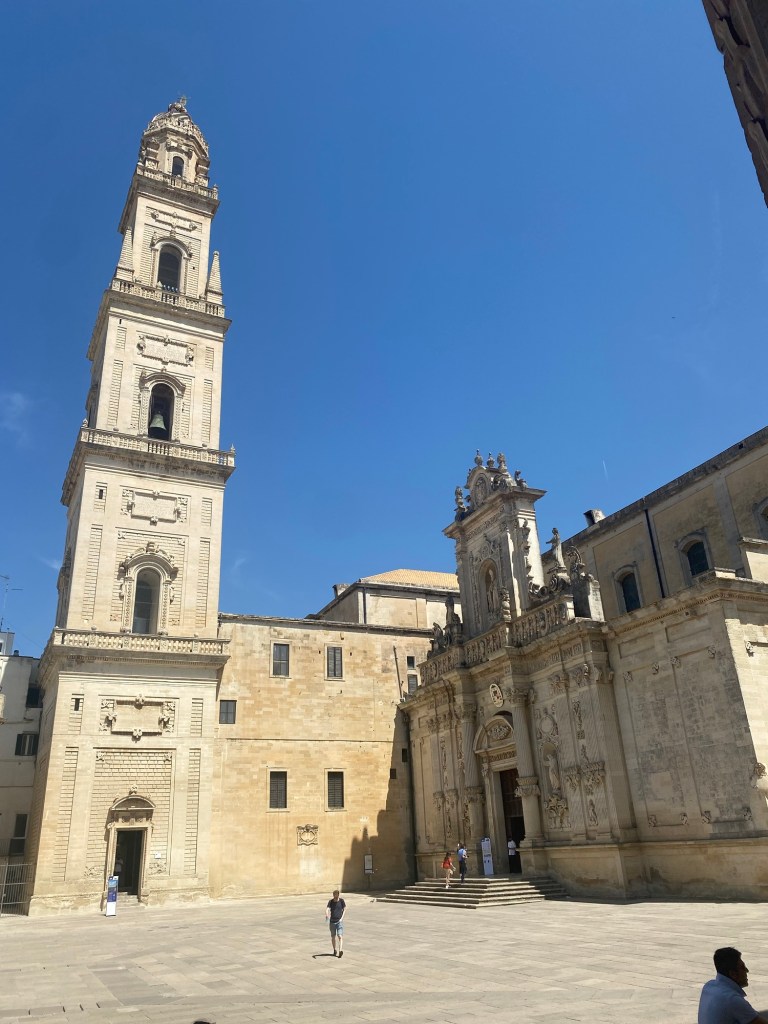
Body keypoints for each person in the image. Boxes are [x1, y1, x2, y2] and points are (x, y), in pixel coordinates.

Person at [698, 947, 768, 1023]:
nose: (747, 970)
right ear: (733, 974)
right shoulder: (732, 999)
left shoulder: (708, 986)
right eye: (742, 967)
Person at [325, 889, 346, 958]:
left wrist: (342, 918)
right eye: (334, 896)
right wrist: (327, 914)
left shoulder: (341, 901)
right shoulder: (330, 901)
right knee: (333, 936)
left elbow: (345, 909)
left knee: (340, 936)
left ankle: (340, 951)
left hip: (339, 921)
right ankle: (335, 950)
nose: (335, 897)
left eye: (336, 896)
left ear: (338, 895)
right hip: (332, 922)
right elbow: (327, 908)